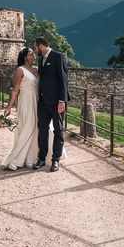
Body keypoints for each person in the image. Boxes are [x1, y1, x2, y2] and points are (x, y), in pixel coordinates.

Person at [32, 36, 70, 172]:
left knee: (58, 130)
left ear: (40, 46)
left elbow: (64, 80)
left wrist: (62, 100)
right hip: (42, 102)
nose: (36, 50)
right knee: (42, 130)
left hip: (56, 102)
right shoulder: (41, 59)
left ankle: (55, 160)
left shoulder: (57, 56)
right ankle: (41, 158)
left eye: (36, 47)